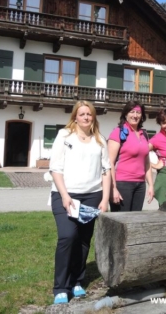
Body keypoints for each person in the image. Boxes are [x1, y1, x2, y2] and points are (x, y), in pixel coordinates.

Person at [49, 100, 111, 304]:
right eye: (82, 114)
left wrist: (104, 199)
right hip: (65, 195)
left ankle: (76, 282)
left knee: (84, 241)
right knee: (67, 237)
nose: (86, 117)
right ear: (75, 116)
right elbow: (55, 168)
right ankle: (60, 287)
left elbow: (106, 170)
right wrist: (65, 196)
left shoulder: (100, 139)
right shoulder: (64, 136)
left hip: (92, 196)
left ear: (93, 117)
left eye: (89, 114)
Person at [108, 100, 154, 211]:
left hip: (140, 185)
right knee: (121, 222)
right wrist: (113, 188)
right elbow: (110, 163)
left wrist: (151, 185)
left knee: (135, 221)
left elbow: (146, 162)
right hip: (122, 183)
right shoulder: (118, 132)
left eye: (138, 112)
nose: (135, 115)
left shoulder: (144, 134)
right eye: (132, 112)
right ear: (126, 114)